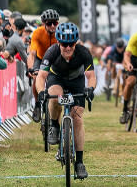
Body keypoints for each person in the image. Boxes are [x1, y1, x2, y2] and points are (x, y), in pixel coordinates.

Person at [35, 22, 96, 180]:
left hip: (76, 82)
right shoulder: (52, 51)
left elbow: (91, 76)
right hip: (57, 79)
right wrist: (41, 92)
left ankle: (80, 162)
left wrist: (90, 89)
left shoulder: (83, 52)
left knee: (77, 119)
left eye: (71, 44)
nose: (68, 48)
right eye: (64, 44)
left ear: (76, 42)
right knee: (54, 95)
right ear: (58, 42)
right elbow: (41, 76)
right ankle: (54, 126)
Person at [28, 9, 60, 122]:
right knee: (37, 77)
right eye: (49, 23)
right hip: (40, 58)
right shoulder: (37, 33)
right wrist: (30, 68)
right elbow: (32, 53)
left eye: (55, 23)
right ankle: (37, 104)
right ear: (43, 24)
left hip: (56, 60)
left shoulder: (60, 33)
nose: (52, 26)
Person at [105, 38, 127, 105]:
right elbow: (109, 59)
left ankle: (123, 96)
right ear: (116, 46)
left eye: (121, 48)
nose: (120, 50)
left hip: (124, 61)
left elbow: (126, 58)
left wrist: (123, 65)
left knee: (124, 77)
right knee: (113, 67)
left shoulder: (126, 48)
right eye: (119, 48)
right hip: (116, 60)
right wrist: (109, 66)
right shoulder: (113, 49)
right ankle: (112, 81)